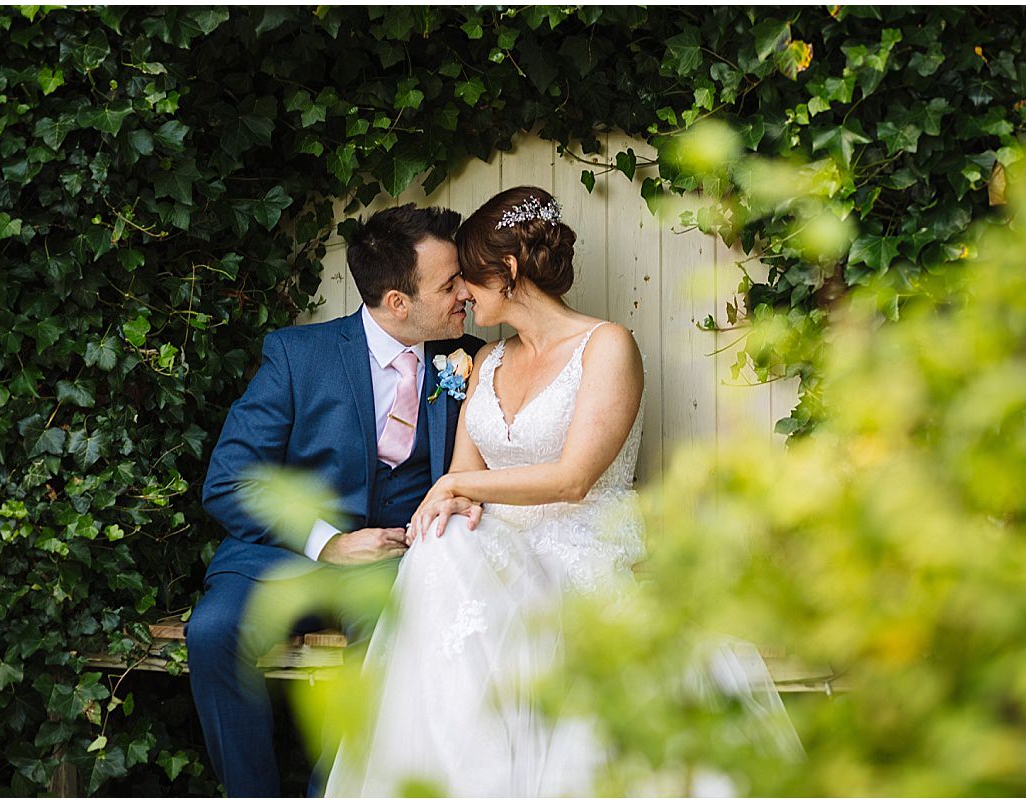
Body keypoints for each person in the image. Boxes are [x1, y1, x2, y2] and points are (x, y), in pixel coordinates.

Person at [325, 186, 801, 797]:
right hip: (504, 560)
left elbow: (575, 477)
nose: (463, 293)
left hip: (583, 560)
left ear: (509, 273)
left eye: (467, 277)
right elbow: (465, 489)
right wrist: (450, 498)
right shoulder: (490, 363)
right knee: (442, 548)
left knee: (454, 556)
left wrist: (453, 483)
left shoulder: (607, 347)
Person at [187, 204, 485, 797]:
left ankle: (336, 793)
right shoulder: (299, 356)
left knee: (394, 642)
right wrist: (327, 544)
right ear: (398, 301)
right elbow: (229, 480)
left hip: (399, 562)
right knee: (213, 632)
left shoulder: (472, 359)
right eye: (450, 283)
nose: (466, 295)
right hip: (285, 555)